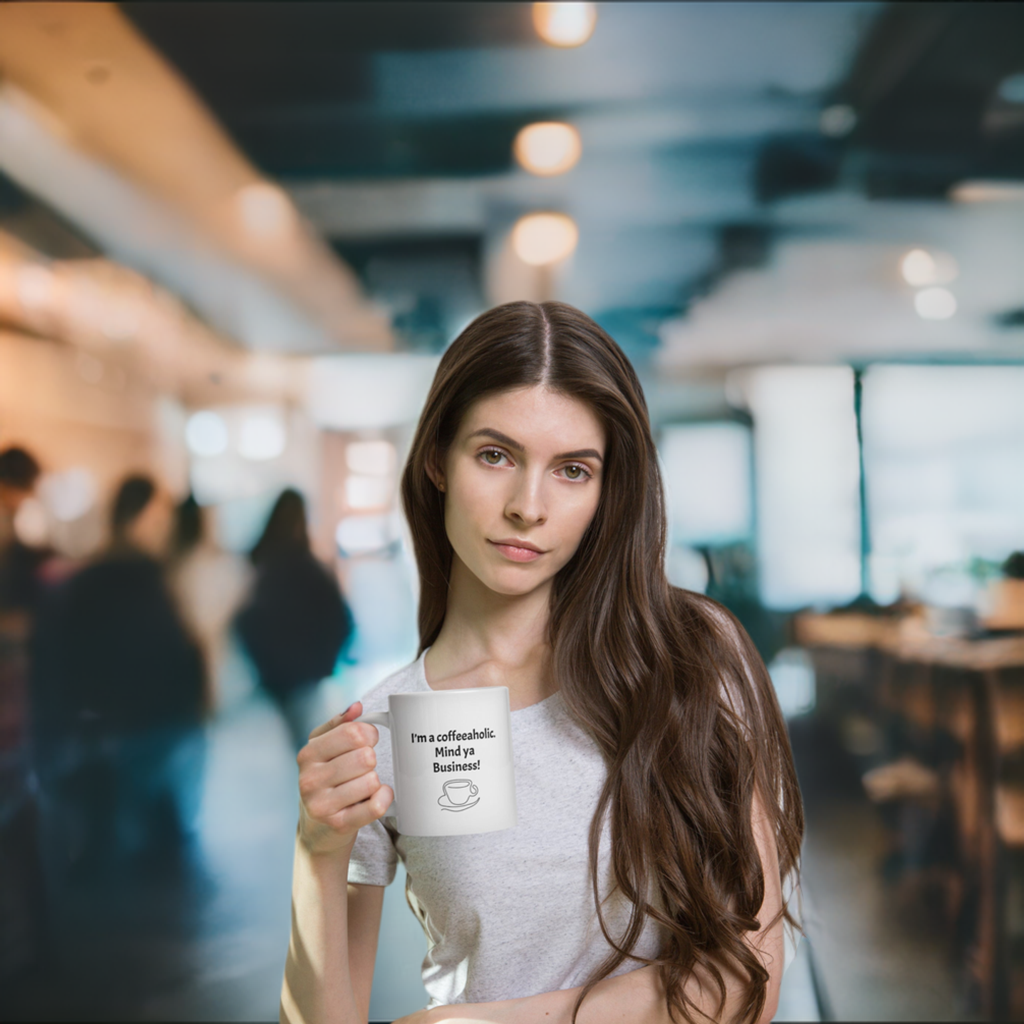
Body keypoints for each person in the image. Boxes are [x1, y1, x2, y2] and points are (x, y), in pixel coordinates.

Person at [280, 301, 804, 1024]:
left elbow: (750, 981)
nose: (529, 506)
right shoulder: (382, 731)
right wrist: (317, 852)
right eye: (495, 455)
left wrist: (478, 1022)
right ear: (437, 458)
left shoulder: (690, 657)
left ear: (606, 490)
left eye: (573, 470)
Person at [30, 474, 206, 869]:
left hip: (122, 720)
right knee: (146, 836)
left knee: (128, 833)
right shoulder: (140, 576)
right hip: (146, 720)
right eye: (159, 515)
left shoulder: (96, 577)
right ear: (138, 515)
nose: (166, 525)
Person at [235, 488, 355, 752]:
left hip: (264, 684)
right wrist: (322, 664)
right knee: (309, 756)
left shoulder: (256, 568)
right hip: (305, 683)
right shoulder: (313, 572)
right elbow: (344, 624)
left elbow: (245, 622)